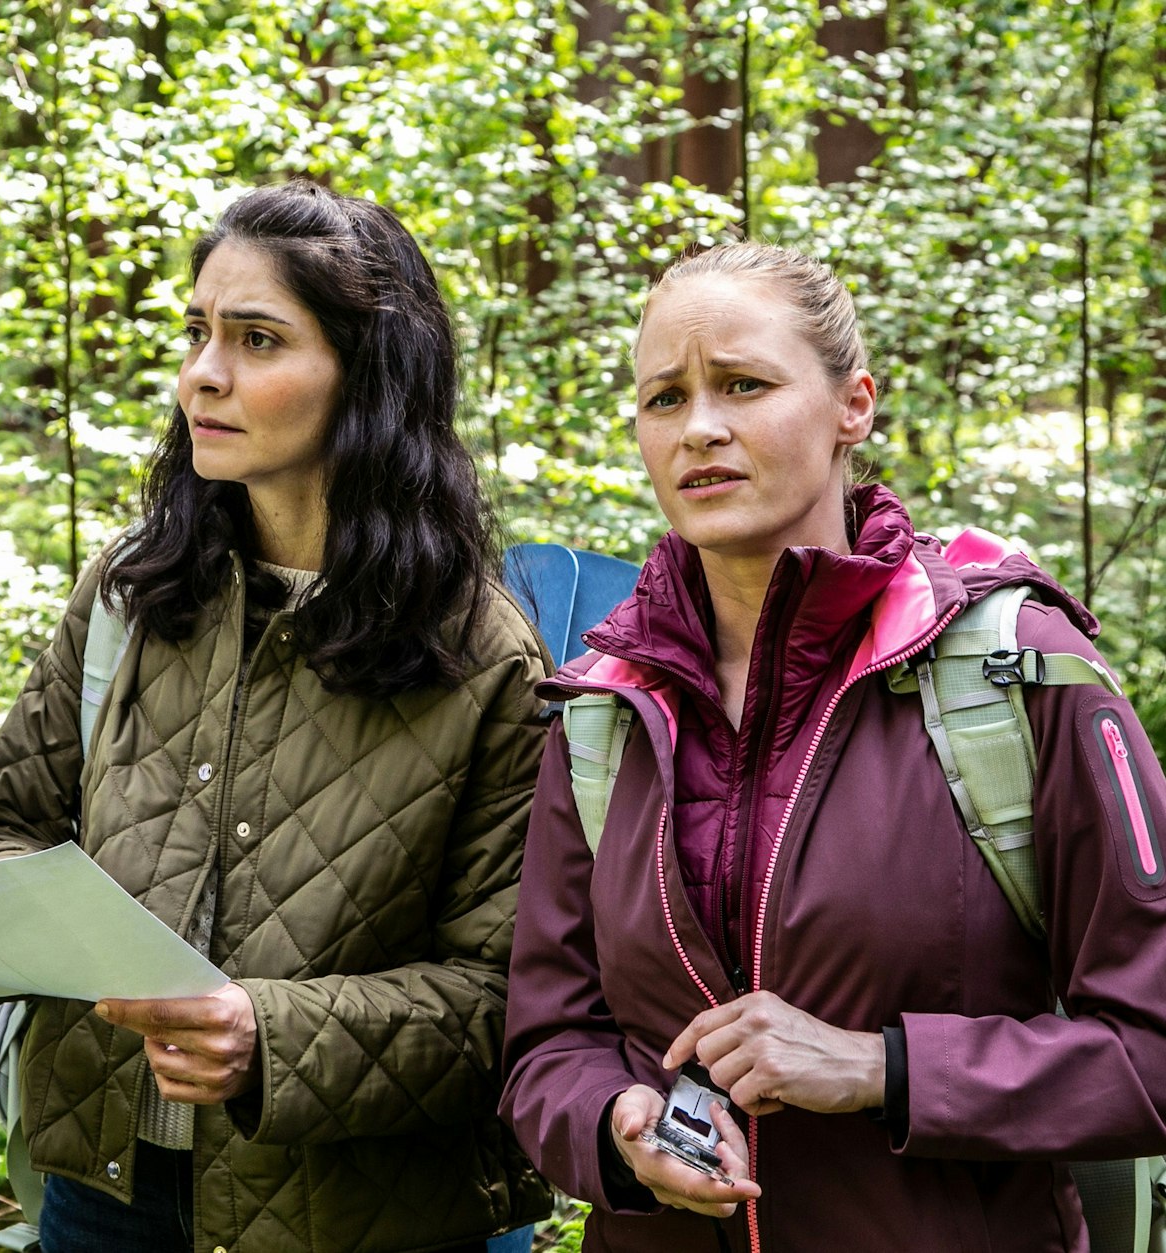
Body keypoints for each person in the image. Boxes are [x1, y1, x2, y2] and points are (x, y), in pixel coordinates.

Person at [498, 241, 1166, 1250]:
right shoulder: (606, 703)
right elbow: (546, 1042)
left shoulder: (1011, 670)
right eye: (663, 398)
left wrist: (877, 1067)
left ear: (852, 403)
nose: (701, 428)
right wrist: (611, 1121)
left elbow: (1147, 1049)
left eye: (742, 384)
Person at [0, 180, 553, 1253]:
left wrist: (267, 1037)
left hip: (362, 1214)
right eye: (195, 332)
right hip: (106, 1189)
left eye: (257, 339)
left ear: (366, 375)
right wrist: (5, 908)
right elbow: (10, 814)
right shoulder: (134, 590)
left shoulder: (481, 656)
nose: (203, 375)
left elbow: (502, 995)